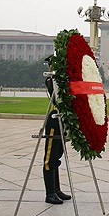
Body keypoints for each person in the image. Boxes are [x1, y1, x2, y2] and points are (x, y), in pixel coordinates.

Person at [42, 75, 72, 205]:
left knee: (57, 157)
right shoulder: (52, 80)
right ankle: (50, 193)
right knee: (50, 159)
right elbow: (56, 96)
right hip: (54, 120)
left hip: (63, 120)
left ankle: (56, 189)